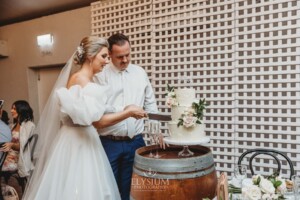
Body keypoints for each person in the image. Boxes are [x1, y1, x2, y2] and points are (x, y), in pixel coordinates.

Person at [22, 36, 146, 200]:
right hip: (79, 143)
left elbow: (99, 109)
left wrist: (126, 108)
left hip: (77, 140)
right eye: (104, 56)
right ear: (90, 56)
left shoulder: (79, 79)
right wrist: (128, 113)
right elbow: (98, 121)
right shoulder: (82, 80)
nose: (106, 61)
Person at [94, 33, 158, 200]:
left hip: (136, 141)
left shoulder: (140, 72)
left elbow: (150, 103)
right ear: (109, 54)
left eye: (128, 55)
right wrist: (126, 110)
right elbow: (100, 111)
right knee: (108, 189)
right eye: (119, 57)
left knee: (133, 190)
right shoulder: (100, 75)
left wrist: (155, 129)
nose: (125, 60)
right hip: (109, 143)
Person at [1, 100, 35, 180]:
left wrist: (11, 145)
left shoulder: (29, 125)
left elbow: (23, 146)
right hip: (6, 156)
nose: (11, 111)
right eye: (11, 108)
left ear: (21, 110)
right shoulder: (12, 126)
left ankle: (4, 189)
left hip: (17, 159)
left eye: (14, 109)